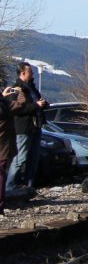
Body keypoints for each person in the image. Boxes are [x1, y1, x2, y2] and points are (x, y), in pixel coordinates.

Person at [6, 62, 49, 195]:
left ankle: (29, 186)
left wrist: (43, 104)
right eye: (30, 71)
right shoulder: (16, 89)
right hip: (23, 128)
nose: (32, 73)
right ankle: (9, 186)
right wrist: (36, 105)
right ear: (22, 73)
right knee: (20, 159)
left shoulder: (32, 88)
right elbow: (15, 109)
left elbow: (39, 102)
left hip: (36, 127)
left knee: (33, 158)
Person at [1, 84, 27, 214]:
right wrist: (20, 92)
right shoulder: (5, 106)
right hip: (3, 147)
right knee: (1, 177)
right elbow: (21, 104)